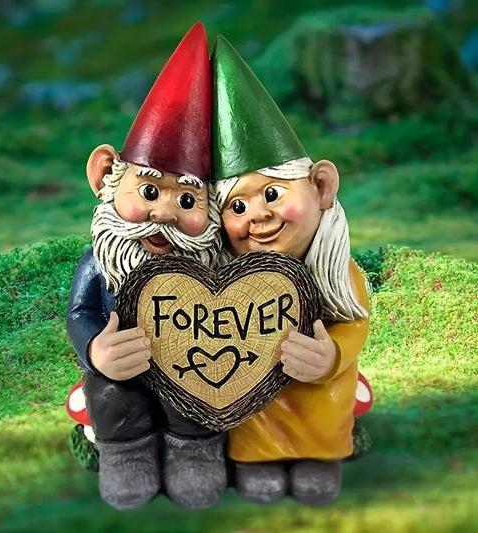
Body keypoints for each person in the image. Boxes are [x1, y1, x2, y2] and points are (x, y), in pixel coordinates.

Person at [67, 24, 227, 511]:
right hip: (123, 370)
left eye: (187, 200)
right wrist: (95, 349)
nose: (163, 214)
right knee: (110, 391)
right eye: (150, 190)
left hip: (191, 365)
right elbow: (81, 312)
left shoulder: (211, 266)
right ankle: (126, 455)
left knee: (199, 388)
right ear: (105, 176)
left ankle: (195, 451)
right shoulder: (100, 263)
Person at [211, 36, 370, 505]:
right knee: (253, 412)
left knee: (322, 414)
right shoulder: (227, 281)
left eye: (272, 194)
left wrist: (331, 356)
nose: (258, 215)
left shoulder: (335, 272)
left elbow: (354, 323)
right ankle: (256, 460)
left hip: (320, 400)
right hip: (255, 410)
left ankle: (319, 459)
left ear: (321, 186)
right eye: (237, 206)